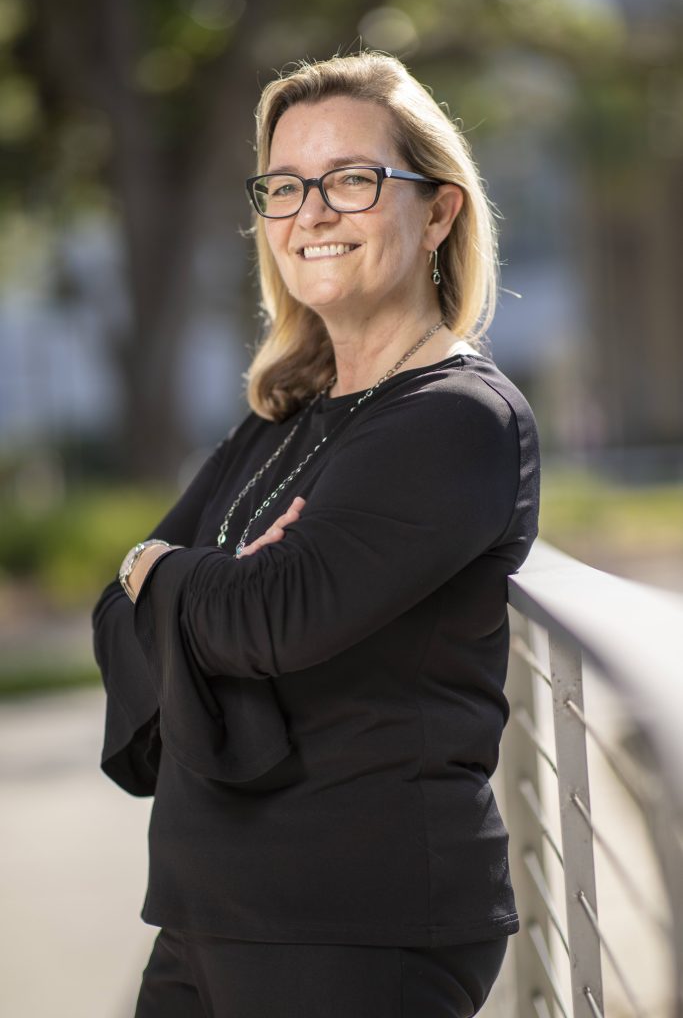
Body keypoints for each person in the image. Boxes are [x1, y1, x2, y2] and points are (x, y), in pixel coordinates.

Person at [93, 50, 540, 1018]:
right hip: (209, 907)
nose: (311, 214)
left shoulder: (455, 418)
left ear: (436, 210)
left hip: (355, 920)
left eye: (350, 179)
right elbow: (113, 615)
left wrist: (165, 574)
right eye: (285, 186)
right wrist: (171, 576)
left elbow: (273, 620)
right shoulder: (283, 418)